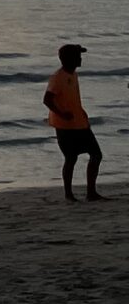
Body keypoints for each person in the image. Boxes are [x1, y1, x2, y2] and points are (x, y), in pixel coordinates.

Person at [45, 43, 103, 202]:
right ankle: (69, 194)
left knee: (96, 155)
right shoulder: (58, 77)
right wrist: (62, 114)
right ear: (69, 59)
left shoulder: (74, 75)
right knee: (71, 158)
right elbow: (47, 100)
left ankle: (91, 192)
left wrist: (82, 114)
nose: (80, 58)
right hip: (65, 125)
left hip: (80, 122)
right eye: (78, 56)